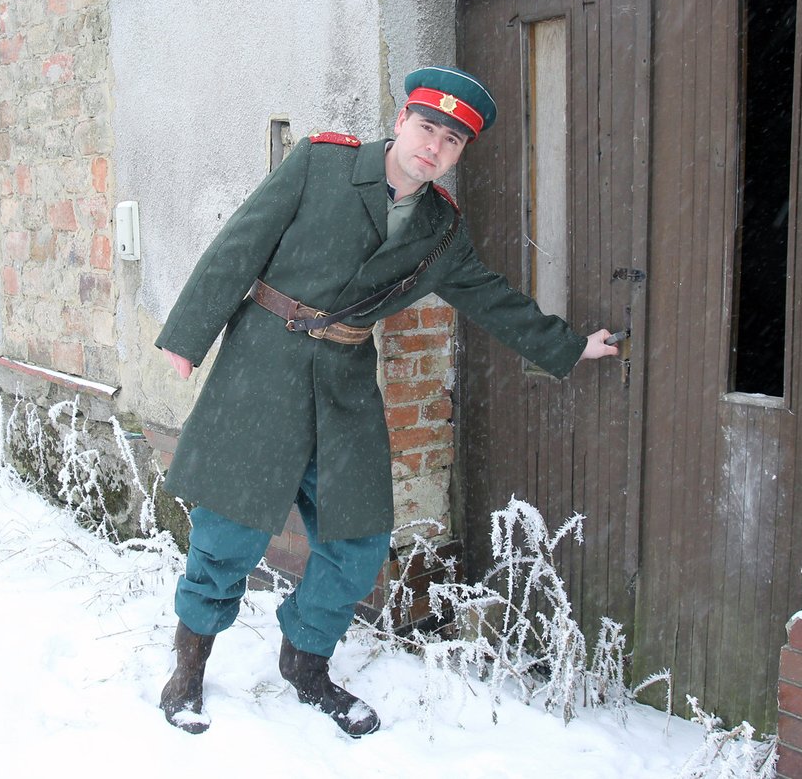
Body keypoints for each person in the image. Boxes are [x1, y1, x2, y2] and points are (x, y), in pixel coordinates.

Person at [155, 65, 618, 737]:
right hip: (264, 364)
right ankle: (188, 668)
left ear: (458, 153)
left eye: (451, 142)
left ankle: (304, 661)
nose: (434, 147)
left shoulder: (439, 228)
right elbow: (242, 240)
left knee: (360, 539)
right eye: (427, 128)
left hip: (343, 383)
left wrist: (569, 346)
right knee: (230, 531)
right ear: (402, 121)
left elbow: (490, 296)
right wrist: (189, 334)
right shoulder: (320, 164)